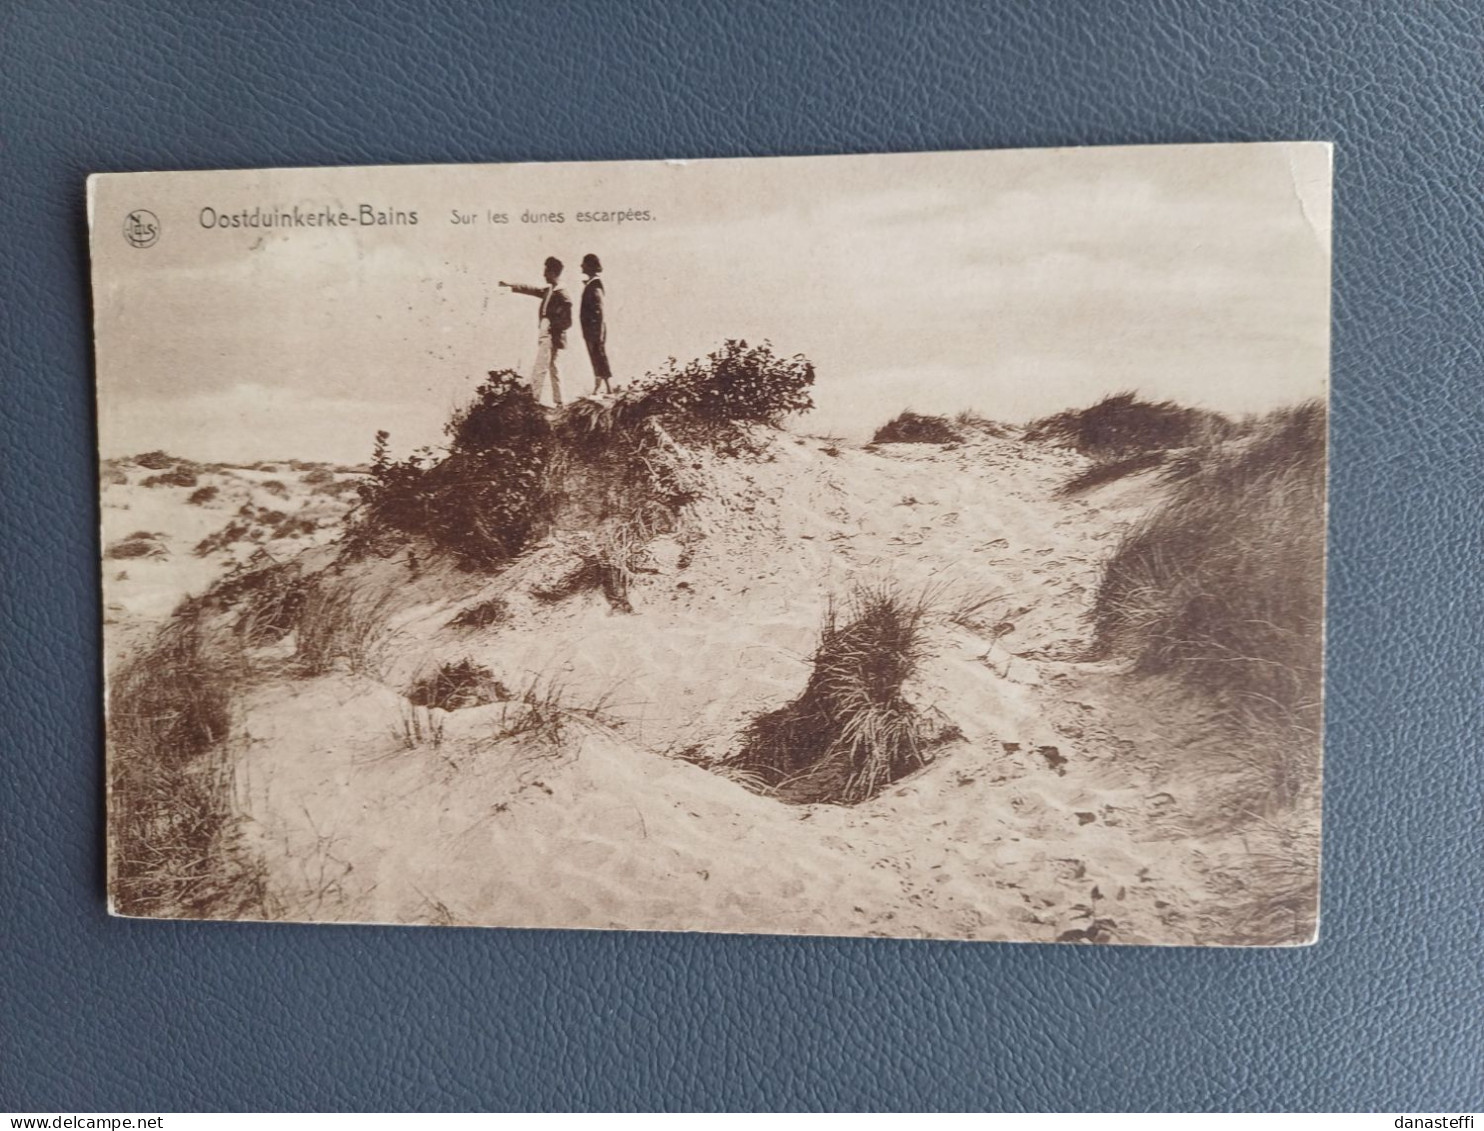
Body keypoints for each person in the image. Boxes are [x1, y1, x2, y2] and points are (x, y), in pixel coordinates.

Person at [500, 257, 572, 407]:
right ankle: (560, 401)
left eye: (546, 271)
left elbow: (567, 321)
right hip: (549, 331)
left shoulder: (562, 294)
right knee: (554, 366)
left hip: (552, 333)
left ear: (553, 272)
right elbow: (531, 289)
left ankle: (533, 399)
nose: (543, 274)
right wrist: (511, 285)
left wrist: (552, 329)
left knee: (541, 365)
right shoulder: (550, 289)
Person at [579, 253, 613, 395]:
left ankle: (608, 387)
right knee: (595, 356)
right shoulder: (592, 284)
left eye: (584, 264)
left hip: (594, 329)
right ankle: (599, 386)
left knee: (599, 355)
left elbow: (599, 311)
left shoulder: (595, 286)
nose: (581, 266)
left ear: (590, 266)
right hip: (591, 329)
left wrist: (598, 333)